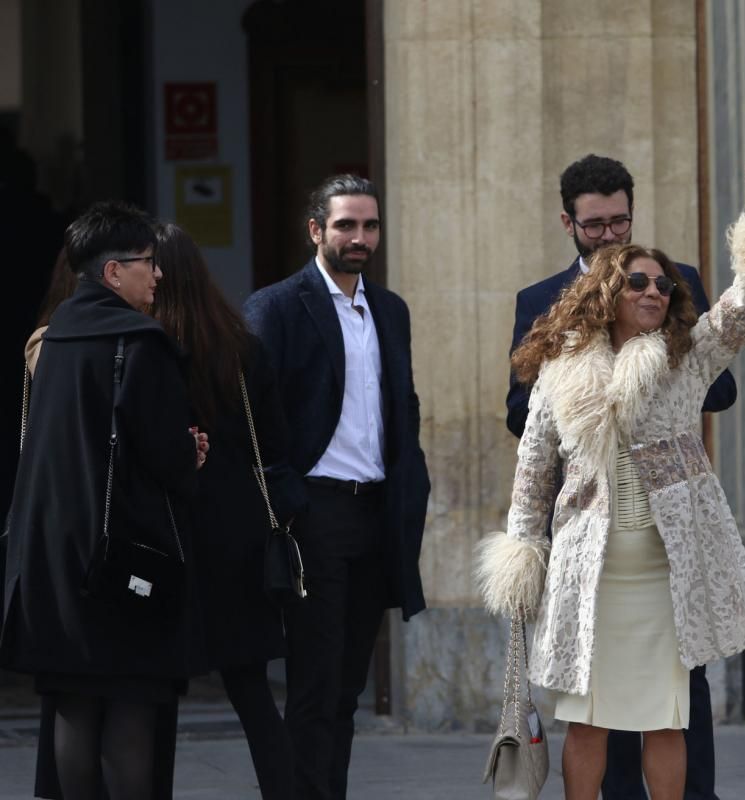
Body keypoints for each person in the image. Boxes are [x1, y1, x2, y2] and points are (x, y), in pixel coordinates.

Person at [479, 149, 745, 799]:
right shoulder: (563, 371)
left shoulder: (686, 359)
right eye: (638, 284)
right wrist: (523, 555)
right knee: (588, 724)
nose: (653, 293)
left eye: (662, 286)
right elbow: (533, 472)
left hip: (668, 572)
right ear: (610, 291)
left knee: (668, 721)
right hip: (592, 570)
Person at [504, 153, 735, 800]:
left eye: (620, 221)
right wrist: (586, 403)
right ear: (568, 223)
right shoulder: (540, 304)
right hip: (592, 538)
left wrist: (663, 392)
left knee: (676, 701)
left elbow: (723, 381)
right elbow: (524, 422)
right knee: (592, 712)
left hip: (668, 533)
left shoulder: (675, 280)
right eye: (596, 224)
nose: (609, 235)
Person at [0, 201, 207, 800]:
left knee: (73, 704)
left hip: (52, 560)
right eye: (148, 263)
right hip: (124, 558)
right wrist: (191, 455)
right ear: (114, 273)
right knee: (132, 710)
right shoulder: (142, 343)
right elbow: (167, 459)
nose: (159, 275)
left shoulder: (52, 338)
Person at [243, 174, 431, 800]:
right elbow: (250, 415)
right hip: (313, 513)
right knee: (315, 686)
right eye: (346, 225)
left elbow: (401, 407)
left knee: (348, 688)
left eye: (369, 225)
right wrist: (285, 498)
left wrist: (411, 489)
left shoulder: (390, 309)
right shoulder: (275, 307)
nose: (359, 237)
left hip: (375, 515)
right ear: (315, 230)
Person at [152, 223, 306, 800]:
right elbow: (276, 441)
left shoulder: (147, 347)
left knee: (156, 697)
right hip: (239, 534)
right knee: (253, 694)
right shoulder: (240, 345)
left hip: (170, 531)